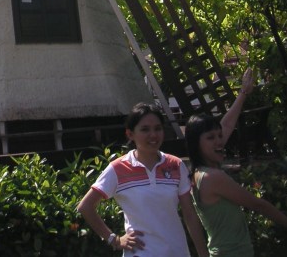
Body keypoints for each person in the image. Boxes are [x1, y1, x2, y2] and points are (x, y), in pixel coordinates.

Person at [186, 69, 287, 255]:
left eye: (219, 136)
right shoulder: (213, 177)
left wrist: (243, 93)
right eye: (210, 138)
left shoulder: (198, 174)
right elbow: (258, 205)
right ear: (196, 144)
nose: (219, 141)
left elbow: (227, 125)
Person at [77, 102, 208, 256]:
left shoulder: (176, 165)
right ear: (130, 134)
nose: (153, 135)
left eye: (158, 128)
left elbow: (189, 214)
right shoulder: (118, 168)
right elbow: (85, 206)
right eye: (145, 129)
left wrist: (203, 253)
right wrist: (114, 239)